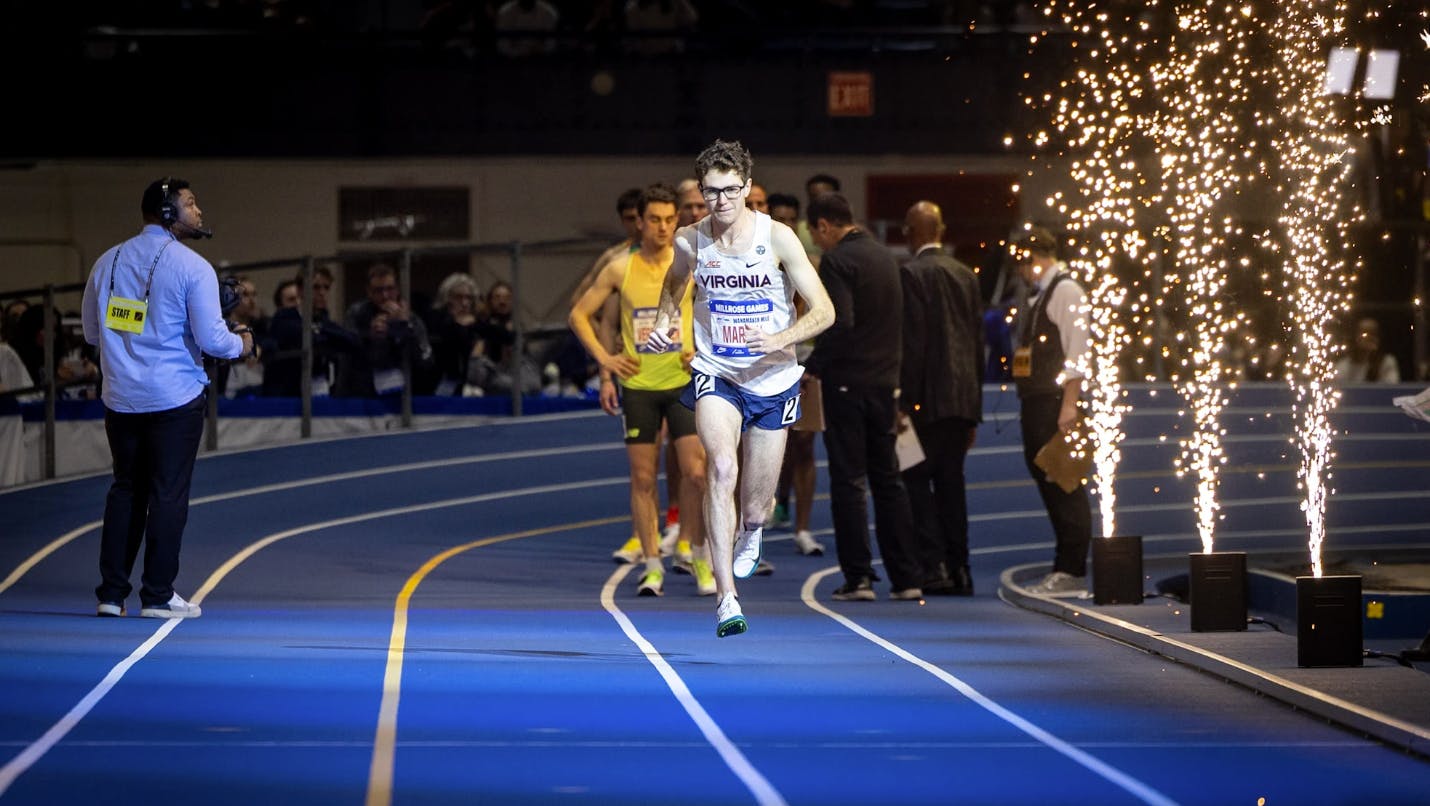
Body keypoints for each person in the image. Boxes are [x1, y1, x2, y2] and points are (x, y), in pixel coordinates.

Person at [647, 139, 834, 637]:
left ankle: (751, 532)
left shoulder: (778, 239)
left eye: (732, 191)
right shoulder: (690, 240)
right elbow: (674, 282)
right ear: (701, 192)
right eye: (712, 193)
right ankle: (726, 598)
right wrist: (668, 320)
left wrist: (778, 337)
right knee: (722, 466)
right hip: (718, 372)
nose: (722, 202)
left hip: (773, 379)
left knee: (756, 506)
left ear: (748, 188)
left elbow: (824, 310)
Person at [81, 177, 253, 619]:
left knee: (125, 491)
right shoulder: (193, 267)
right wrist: (244, 343)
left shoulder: (106, 262)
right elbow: (214, 342)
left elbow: (91, 333)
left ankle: (111, 594)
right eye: (191, 204)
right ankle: (157, 595)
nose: (199, 212)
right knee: (167, 494)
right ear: (168, 213)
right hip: (174, 399)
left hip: (121, 398)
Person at [570, 183, 714, 597]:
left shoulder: (690, 262)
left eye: (671, 220)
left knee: (697, 473)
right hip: (640, 386)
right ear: (641, 221)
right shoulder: (620, 267)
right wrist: (606, 361)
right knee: (643, 478)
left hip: (683, 383)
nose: (664, 227)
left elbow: (716, 309)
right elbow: (579, 314)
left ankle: (697, 555)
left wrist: (700, 348)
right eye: (655, 220)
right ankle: (653, 566)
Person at [803, 191, 924, 603]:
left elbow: (840, 321)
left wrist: (813, 365)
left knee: (849, 481)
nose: (817, 244)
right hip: (883, 382)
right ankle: (906, 577)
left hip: (847, 384)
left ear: (824, 225)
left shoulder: (839, 260)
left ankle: (858, 578)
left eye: (816, 236)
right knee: (888, 480)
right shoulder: (885, 257)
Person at [898, 201, 984, 596]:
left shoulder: (911, 274)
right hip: (961, 400)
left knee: (916, 481)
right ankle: (961, 566)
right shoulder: (966, 275)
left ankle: (932, 566)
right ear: (941, 230)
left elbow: (914, 345)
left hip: (925, 400)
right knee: (953, 485)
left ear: (908, 232)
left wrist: (904, 402)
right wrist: (974, 411)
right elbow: (976, 344)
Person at [1009, 224, 1093, 597]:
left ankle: (1071, 566)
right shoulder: (1039, 294)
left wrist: (1069, 405)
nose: (1020, 273)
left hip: (1055, 401)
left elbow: (1078, 352)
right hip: (1038, 398)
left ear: (1033, 258)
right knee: (1047, 476)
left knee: (1063, 479)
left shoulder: (1067, 290)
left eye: (1022, 264)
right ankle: (1065, 561)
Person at [343, 263, 435, 397]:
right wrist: (370, 336)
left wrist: (405, 327)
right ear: (369, 292)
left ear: (397, 290)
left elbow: (426, 361)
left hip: (405, 394)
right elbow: (347, 353)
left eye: (390, 289)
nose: (385, 296)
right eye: (378, 290)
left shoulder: (411, 318)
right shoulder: (357, 314)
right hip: (364, 393)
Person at [425, 272, 484, 395]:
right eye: (458, 297)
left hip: (472, 383)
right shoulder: (435, 320)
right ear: (447, 298)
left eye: (469, 297)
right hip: (441, 382)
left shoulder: (477, 324)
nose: (464, 302)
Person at [1335, 316, 1401, 383]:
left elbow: (1391, 388)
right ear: (1356, 337)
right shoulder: (1343, 365)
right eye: (1364, 333)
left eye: (1372, 333)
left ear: (1378, 337)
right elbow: (1338, 388)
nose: (1368, 338)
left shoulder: (1387, 362)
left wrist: (1374, 365)